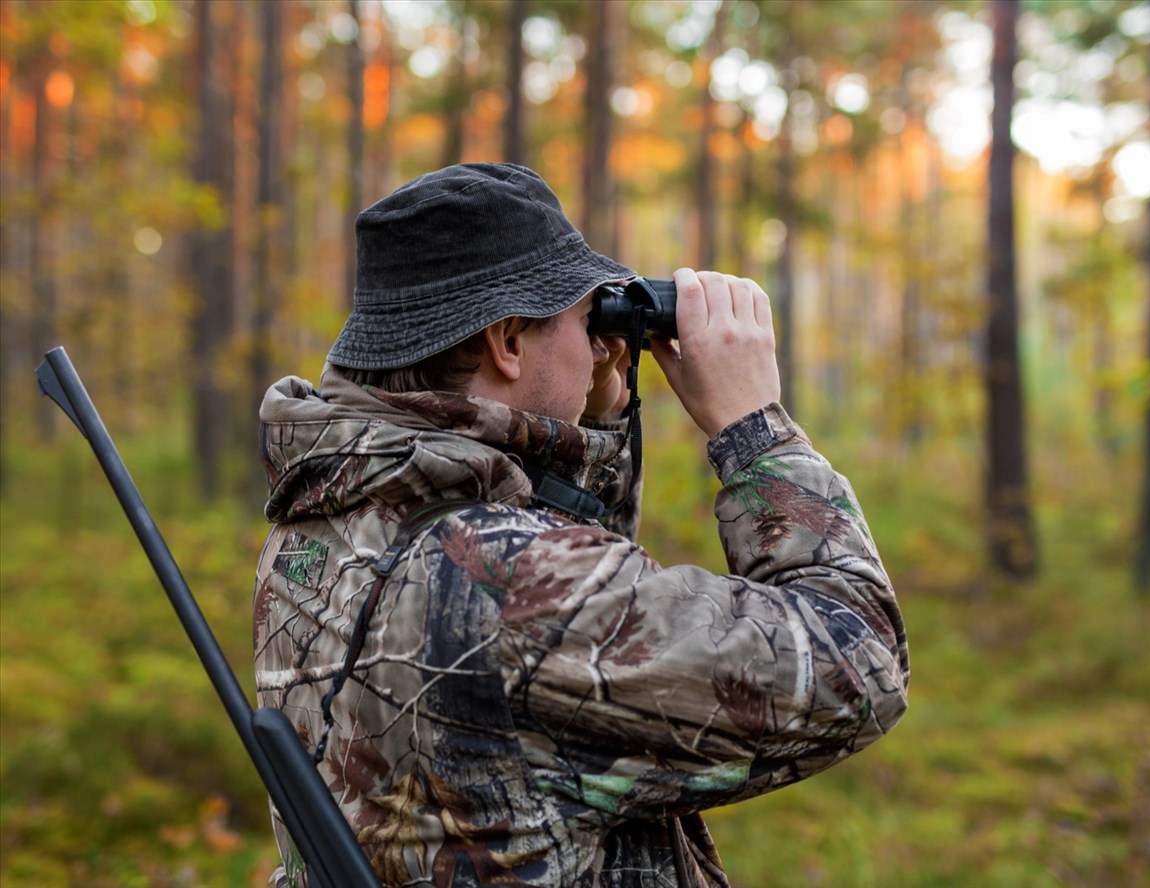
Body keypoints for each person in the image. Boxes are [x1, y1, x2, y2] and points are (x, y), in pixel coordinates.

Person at [253, 162, 908, 888]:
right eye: (582, 317)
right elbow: (858, 666)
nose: (600, 344)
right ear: (506, 340)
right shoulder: (516, 585)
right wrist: (755, 433)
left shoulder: (325, 519)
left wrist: (588, 421)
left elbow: (539, 637)